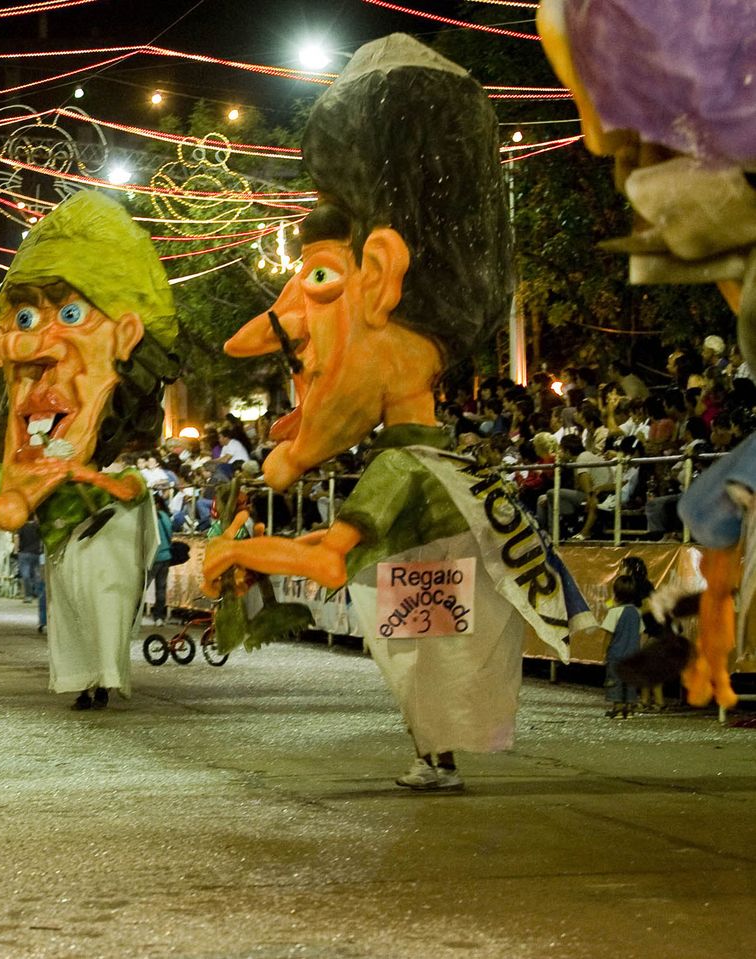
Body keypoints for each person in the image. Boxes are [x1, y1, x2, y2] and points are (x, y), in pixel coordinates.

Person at [200, 35, 592, 791]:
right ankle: (433, 750)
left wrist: (240, 554)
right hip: (425, 582)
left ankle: (434, 752)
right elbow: (349, 543)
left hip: (421, 585)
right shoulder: (448, 462)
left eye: (321, 282)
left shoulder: (398, 464)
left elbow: (329, 559)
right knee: (426, 652)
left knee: (421, 661)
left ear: (379, 277)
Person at [0, 190, 176, 713]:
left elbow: (124, 487)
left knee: (102, 606)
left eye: (72, 311)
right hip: (65, 543)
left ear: (127, 336)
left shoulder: (94, 467)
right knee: (71, 612)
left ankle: (103, 677)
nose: (36, 349)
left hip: (100, 531)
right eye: (23, 320)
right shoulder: (31, 456)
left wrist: (92, 480)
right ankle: (85, 679)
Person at [599, 574, 644, 719]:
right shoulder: (637, 613)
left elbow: (608, 634)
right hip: (633, 654)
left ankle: (617, 709)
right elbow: (641, 634)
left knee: (615, 681)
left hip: (617, 654)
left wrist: (603, 652)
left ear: (616, 594)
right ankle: (629, 709)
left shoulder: (614, 612)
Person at [148, 492, 174, 625]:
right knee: (161, 588)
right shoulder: (164, 516)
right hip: (166, 556)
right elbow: (170, 533)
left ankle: (134, 615)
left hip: (153, 557)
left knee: (143, 587)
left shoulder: (149, 518)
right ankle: (159, 617)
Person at [16, 516, 42, 601]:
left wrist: (16, 550)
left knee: (26, 575)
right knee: (36, 575)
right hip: (36, 553)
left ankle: (28, 595)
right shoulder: (38, 527)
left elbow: (17, 538)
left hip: (24, 553)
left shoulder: (22, 526)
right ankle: (38, 593)